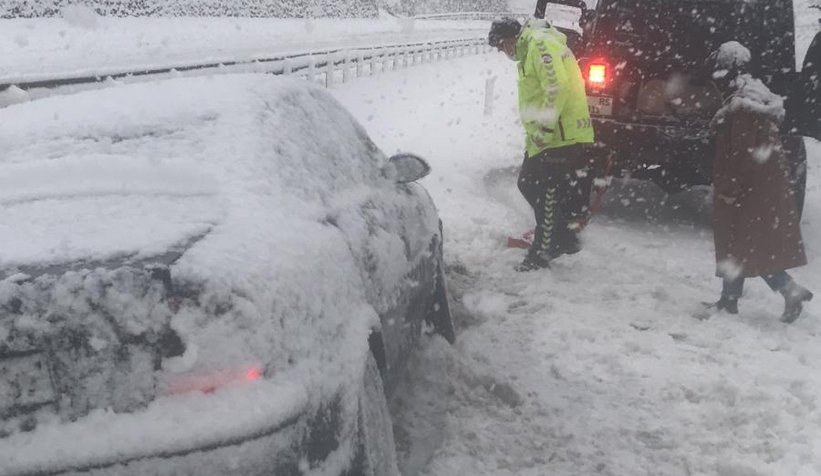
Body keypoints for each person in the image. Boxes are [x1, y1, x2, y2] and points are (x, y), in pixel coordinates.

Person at [706, 41, 813, 323]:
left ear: (728, 70)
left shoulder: (743, 107)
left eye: (719, 69)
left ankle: (786, 290)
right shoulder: (754, 99)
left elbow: (741, 154)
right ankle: (733, 299)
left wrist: (730, 188)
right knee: (746, 245)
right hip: (762, 187)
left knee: (742, 244)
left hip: (749, 188)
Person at [488, 17, 595, 271]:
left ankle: (543, 251)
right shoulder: (530, 49)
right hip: (549, 136)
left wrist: (545, 128)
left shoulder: (539, 43)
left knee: (545, 191)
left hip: (560, 134)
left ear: (511, 37)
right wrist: (534, 138)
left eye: (501, 45)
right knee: (528, 183)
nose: (503, 51)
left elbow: (557, 86)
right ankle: (565, 238)